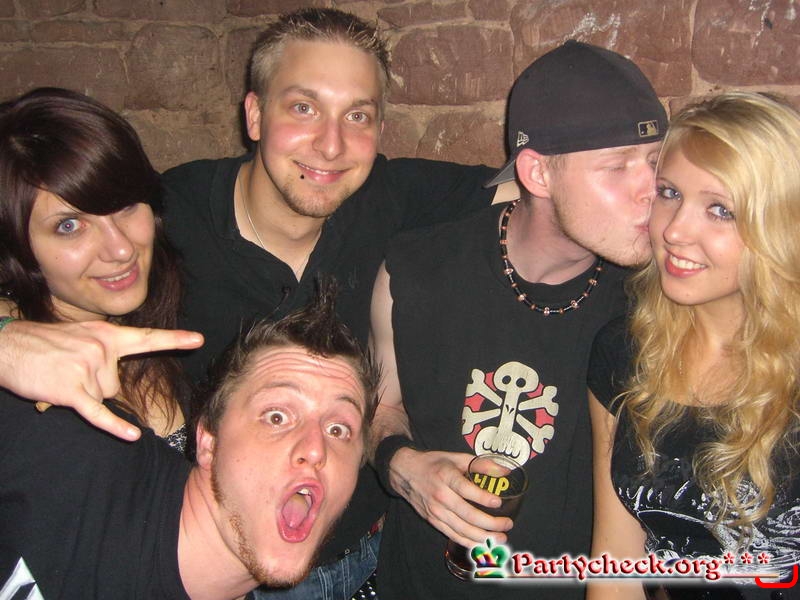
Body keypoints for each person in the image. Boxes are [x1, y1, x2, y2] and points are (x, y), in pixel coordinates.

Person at [0, 8, 513, 598]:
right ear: (253, 114)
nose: (331, 144)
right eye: (303, 108)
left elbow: (533, 181)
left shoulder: (392, 198)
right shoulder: (170, 216)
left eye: (358, 115)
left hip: (371, 555)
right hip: (224, 569)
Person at [368, 40, 667, 599]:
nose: (652, 192)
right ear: (537, 173)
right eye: (616, 167)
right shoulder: (415, 272)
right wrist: (401, 465)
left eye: (654, 161)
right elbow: (380, 408)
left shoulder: (655, 301)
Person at [0, 283, 380, 599]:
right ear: (208, 441)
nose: (315, 449)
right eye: (277, 416)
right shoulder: (74, 449)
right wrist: (6, 340)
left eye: (338, 429)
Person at [587, 92, 800, 600]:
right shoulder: (625, 352)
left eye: (720, 210)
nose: (675, 230)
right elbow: (615, 565)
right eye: (669, 193)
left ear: (782, 225)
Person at [0, 87, 202, 451]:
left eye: (126, 206)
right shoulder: (19, 383)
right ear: (16, 246)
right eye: (69, 226)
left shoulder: (164, 305)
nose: (121, 249)